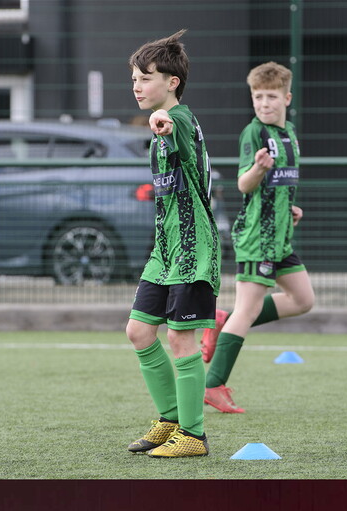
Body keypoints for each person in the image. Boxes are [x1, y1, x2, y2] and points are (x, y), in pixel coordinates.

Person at [124, 29, 220, 457]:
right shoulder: (159, 134)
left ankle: (194, 436)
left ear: (172, 83)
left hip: (194, 252)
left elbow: (172, 124)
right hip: (165, 252)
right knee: (140, 332)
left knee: (182, 340)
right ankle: (169, 420)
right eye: (134, 79)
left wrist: (159, 121)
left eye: (146, 78)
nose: (137, 86)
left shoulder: (178, 121)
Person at [200, 61, 315, 414]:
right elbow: (243, 184)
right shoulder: (254, 134)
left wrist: (291, 209)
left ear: (286, 98)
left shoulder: (290, 133)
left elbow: (284, 184)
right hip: (257, 237)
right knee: (248, 310)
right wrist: (258, 168)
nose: (264, 104)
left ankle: (224, 320)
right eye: (257, 97)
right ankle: (213, 385)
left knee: (303, 300)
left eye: (271, 97)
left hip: (280, 236)